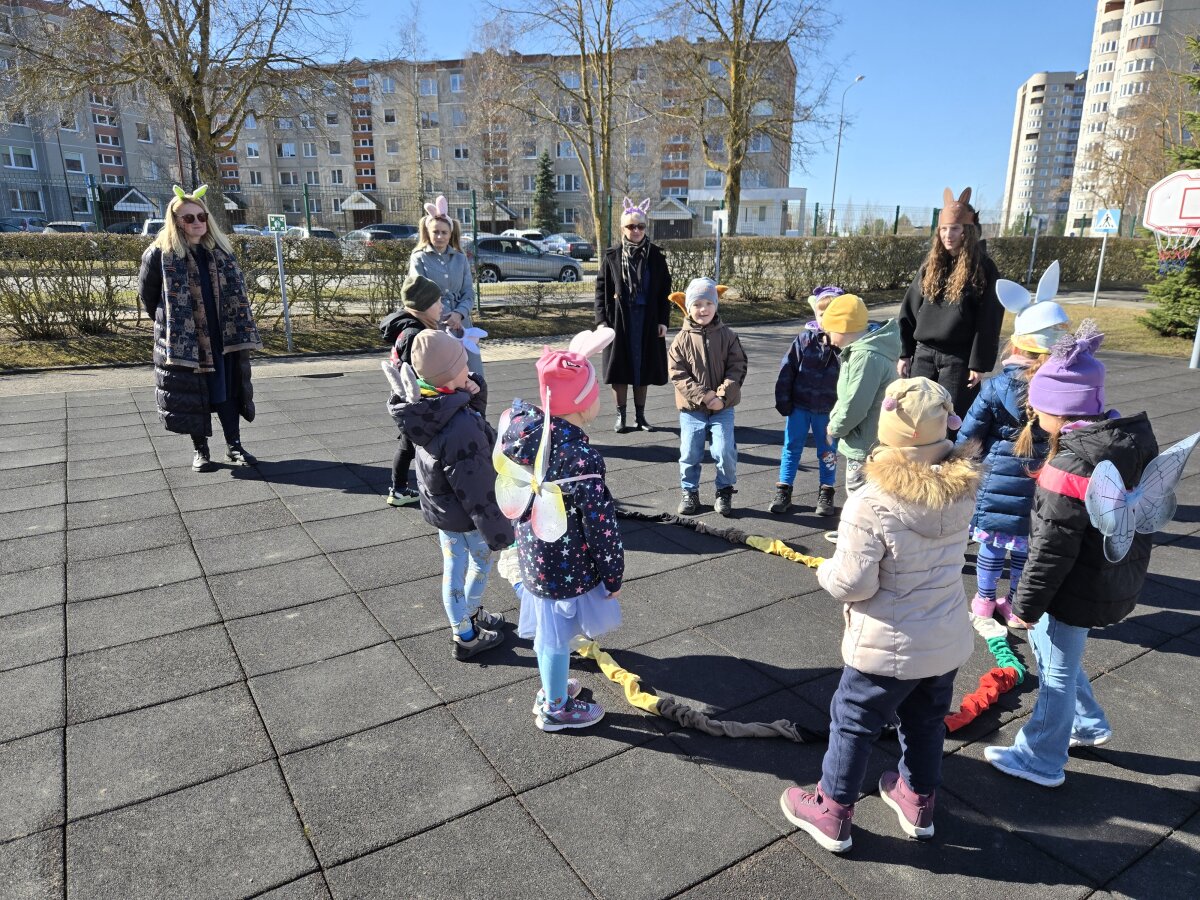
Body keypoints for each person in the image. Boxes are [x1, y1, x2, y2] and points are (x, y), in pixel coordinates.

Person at [781, 377, 979, 853]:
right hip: (944, 635)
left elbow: (854, 584)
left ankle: (832, 810)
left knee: (852, 719)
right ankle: (918, 799)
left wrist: (826, 571)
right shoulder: (963, 490)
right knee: (926, 720)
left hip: (888, 642)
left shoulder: (871, 502)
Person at [984, 322, 1160, 787]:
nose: (1033, 411)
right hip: (1107, 573)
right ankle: (1087, 723)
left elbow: (1050, 550)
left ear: (1056, 409)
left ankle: (1041, 758)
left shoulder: (1068, 466)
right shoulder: (1128, 442)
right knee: (1056, 654)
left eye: (1037, 405)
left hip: (1071, 586)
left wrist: (1024, 606)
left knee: (1055, 671)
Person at [497, 327, 624, 732]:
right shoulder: (580, 458)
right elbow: (600, 525)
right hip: (564, 564)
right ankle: (555, 708)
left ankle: (553, 688)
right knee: (553, 637)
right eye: (595, 391)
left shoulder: (525, 433)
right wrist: (612, 573)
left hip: (535, 554)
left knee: (549, 632)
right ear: (583, 405)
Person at [955, 261, 1071, 625]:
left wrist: (957, 460)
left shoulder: (995, 388)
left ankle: (984, 601)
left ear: (1015, 345)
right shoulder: (1061, 392)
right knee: (1025, 547)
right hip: (1040, 484)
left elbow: (970, 433)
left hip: (996, 482)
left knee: (991, 546)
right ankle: (1016, 603)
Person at [387, 329, 513, 660]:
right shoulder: (460, 425)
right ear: (451, 372)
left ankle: (467, 620)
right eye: (463, 364)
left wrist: (471, 394)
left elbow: (473, 420)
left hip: (443, 510)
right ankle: (466, 631)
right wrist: (499, 530)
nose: (469, 368)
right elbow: (476, 484)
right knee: (479, 563)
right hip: (466, 514)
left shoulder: (429, 405)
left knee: (454, 567)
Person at [138, 184, 262, 471]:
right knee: (194, 393)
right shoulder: (159, 254)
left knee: (228, 391)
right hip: (186, 342)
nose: (197, 222)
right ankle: (201, 450)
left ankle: (234, 445)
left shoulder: (220, 251)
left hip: (223, 337)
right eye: (189, 217)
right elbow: (149, 297)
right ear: (175, 221)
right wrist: (174, 326)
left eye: (202, 216)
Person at [897, 187, 1003, 422]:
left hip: (958, 359)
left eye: (954, 228)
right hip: (924, 355)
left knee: (950, 421)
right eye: (943, 229)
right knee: (917, 418)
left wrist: (979, 363)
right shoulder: (931, 265)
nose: (948, 235)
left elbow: (989, 319)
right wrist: (905, 353)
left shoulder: (983, 268)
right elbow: (909, 309)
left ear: (968, 230)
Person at [668, 278, 748, 518]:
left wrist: (721, 397)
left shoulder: (728, 336)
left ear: (716, 305)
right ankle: (689, 491)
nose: (703, 309)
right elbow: (678, 374)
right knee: (690, 452)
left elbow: (737, 368)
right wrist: (705, 396)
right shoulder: (681, 340)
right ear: (688, 307)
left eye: (708, 303)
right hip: (692, 409)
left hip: (722, 407)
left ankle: (724, 489)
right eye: (697, 304)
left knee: (724, 451)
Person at [594, 197, 672, 433]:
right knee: (619, 367)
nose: (636, 230)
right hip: (618, 319)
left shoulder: (656, 256)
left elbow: (665, 291)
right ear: (622, 229)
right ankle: (621, 417)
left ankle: (640, 417)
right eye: (631, 226)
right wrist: (601, 321)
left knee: (642, 368)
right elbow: (601, 289)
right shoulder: (612, 256)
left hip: (647, 319)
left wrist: (663, 321)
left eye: (640, 226)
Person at [770, 285, 844, 517]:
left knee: (827, 451)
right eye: (822, 314)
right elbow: (787, 369)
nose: (825, 319)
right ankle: (784, 489)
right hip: (800, 406)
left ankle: (826, 490)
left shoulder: (844, 346)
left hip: (828, 410)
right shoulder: (804, 340)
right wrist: (784, 399)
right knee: (792, 447)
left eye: (832, 314)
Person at [825, 294, 901, 510]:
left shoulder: (865, 357)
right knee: (874, 497)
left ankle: (861, 531)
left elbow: (855, 404)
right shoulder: (867, 351)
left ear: (843, 327)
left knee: (861, 498)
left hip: (866, 442)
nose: (828, 337)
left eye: (829, 330)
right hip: (870, 439)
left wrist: (835, 428)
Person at [409, 195, 480, 374]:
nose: (440, 236)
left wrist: (459, 314)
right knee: (443, 374)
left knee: (472, 373)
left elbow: (468, 292)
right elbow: (420, 294)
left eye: (444, 232)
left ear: (450, 234)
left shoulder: (460, 259)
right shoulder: (419, 258)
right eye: (435, 232)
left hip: (461, 324)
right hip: (434, 325)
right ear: (428, 232)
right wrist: (444, 317)